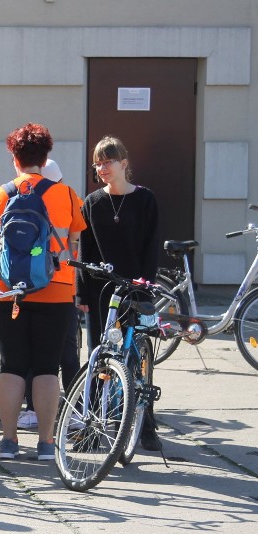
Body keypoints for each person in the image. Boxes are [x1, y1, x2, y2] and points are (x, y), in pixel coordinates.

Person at [0, 123, 86, 461]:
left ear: (14, 157)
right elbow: (74, 245)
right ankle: (45, 443)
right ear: (45, 158)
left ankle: (9, 441)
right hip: (55, 290)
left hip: (9, 291)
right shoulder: (67, 195)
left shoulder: (0, 195)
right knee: (46, 367)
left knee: (11, 365)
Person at [77, 136, 161, 451]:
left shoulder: (145, 199)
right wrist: (82, 294)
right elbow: (85, 250)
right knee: (99, 357)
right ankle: (93, 425)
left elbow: (151, 247)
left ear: (123, 163)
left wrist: (145, 285)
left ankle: (146, 424)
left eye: (107, 161)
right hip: (102, 292)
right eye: (97, 163)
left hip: (136, 289)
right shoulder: (93, 202)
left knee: (138, 361)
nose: (101, 168)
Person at [17, 158, 82, 431]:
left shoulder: (16, 193)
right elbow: (76, 244)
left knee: (32, 354)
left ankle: (32, 410)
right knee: (68, 353)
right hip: (63, 285)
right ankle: (76, 411)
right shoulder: (69, 196)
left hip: (27, 284)